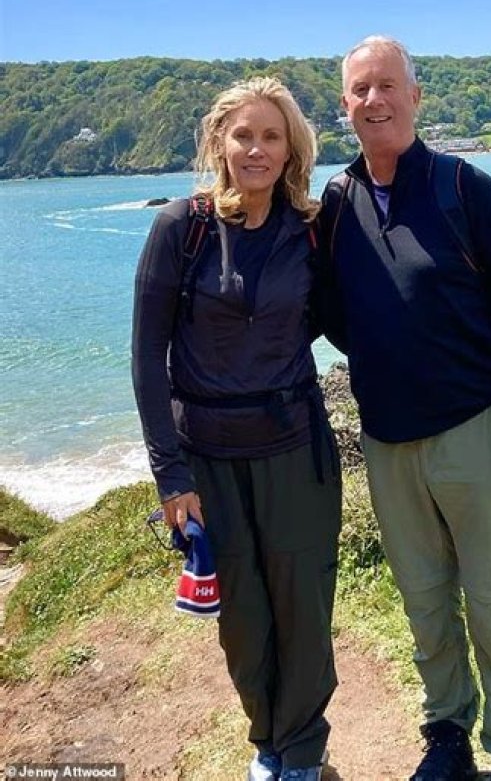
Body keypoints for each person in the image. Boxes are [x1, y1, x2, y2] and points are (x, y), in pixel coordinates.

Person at [319, 37, 491, 781]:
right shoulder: (337, 203)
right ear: (345, 105)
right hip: (387, 444)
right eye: (361, 89)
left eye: (388, 85)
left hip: (474, 433)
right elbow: (330, 313)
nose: (375, 100)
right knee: (425, 606)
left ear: (415, 97)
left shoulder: (466, 187)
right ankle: (448, 735)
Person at [132, 76, 341, 781]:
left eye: (271, 136)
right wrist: (171, 476)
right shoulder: (181, 228)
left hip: (295, 453)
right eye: (243, 135)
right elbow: (147, 357)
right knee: (243, 618)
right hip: (209, 460)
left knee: (303, 609)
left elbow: (343, 318)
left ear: (291, 150)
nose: (256, 149)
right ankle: (267, 742)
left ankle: (302, 752)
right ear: (220, 142)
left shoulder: (311, 231)